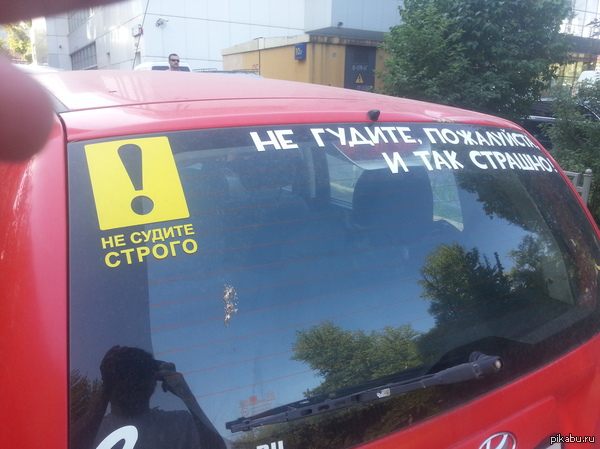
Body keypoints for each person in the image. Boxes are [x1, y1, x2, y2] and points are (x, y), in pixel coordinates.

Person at [71, 346, 226, 449]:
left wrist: (186, 395)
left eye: (138, 374)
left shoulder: (180, 422)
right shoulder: (93, 429)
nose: (130, 381)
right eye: (122, 374)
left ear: (153, 383)